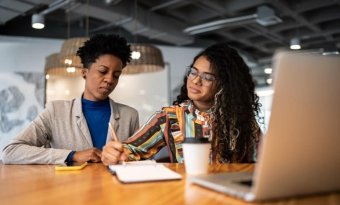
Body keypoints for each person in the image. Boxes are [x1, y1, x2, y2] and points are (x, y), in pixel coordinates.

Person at [101, 42, 262, 165]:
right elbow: (132, 149)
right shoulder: (169, 117)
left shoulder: (243, 120)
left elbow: (260, 163)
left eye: (207, 77)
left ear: (224, 84)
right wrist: (116, 153)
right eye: (193, 72)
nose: (196, 81)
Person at [1, 34, 139, 164]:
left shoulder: (130, 116)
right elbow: (10, 152)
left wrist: (127, 158)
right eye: (103, 71)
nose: (109, 79)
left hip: (115, 188)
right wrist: (71, 155)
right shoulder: (55, 111)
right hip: (67, 188)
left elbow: (139, 159)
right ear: (84, 72)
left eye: (116, 75)